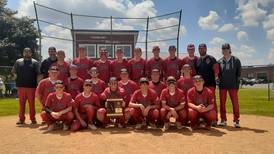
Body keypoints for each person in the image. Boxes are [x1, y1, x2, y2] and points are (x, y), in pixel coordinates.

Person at [11, 47, 40, 125]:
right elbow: (13, 71)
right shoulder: (18, 61)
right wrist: (15, 76)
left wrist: (38, 85)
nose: (27, 53)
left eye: (28, 52)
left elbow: (38, 74)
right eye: (25, 52)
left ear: (31, 53)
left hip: (31, 87)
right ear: (23, 53)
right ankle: (21, 119)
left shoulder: (35, 62)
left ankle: (33, 119)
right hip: (21, 86)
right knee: (21, 104)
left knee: (31, 104)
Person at [195, 43, 219, 126]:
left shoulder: (211, 59)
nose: (202, 50)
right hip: (200, 86)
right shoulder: (197, 60)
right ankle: (203, 119)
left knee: (212, 102)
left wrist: (216, 77)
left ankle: (214, 119)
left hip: (210, 84)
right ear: (198, 50)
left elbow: (216, 69)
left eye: (203, 48)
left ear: (206, 49)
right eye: (200, 48)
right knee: (201, 102)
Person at [218, 43, 241, 128]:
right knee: (222, 103)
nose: (225, 50)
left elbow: (238, 74)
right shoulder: (219, 61)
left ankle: (236, 120)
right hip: (222, 85)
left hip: (233, 85)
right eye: (223, 49)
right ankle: (223, 120)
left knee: (235, 103)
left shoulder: (236, 60)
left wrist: (237, 85)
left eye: (226, 48)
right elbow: (218, 74)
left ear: (229, 49)